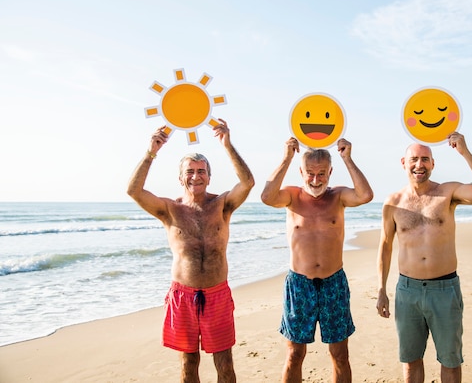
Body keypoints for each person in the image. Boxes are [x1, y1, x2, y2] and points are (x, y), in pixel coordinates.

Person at [127, 120, 254, 383]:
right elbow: (134, 191)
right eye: (190, 171)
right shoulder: (169, 209)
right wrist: (151, 152)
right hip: (183, 297)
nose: (196, 176)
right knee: (188, 364)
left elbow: (248, 182)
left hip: (217, 294)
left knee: (225, 364)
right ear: (180, 177)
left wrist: (228, 145)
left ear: (209, 176)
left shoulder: (222, 205)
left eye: (201, 171)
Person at [376, 132, 472, 383]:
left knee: (450, 360)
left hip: (444, 289)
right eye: (414, 159)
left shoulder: (448, 193)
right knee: (411, 360)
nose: (419, 165)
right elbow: (386, 246)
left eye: (425, 159)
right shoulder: (393, 202)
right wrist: (381, 289)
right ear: (403, 163)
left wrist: (464, 151)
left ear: (433, 164)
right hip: (407, 291)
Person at [261, 137, 374, 383]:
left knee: (340, 353)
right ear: (301, 172)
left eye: (322, 173)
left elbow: (365, 195)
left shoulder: (339, 196)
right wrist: (287, 157)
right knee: (294, 353)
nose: (315, 179)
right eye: (310, 173)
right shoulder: (291, 196)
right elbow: (267, 197)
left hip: (334, 283)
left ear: (330, 172)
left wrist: (347, 158)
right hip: (299, 284)